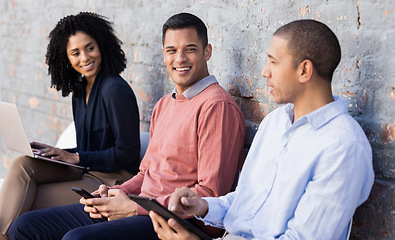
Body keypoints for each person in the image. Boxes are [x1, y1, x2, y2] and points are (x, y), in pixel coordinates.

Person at [8, 12, 246, 240]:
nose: (180, 59)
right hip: (138, 205)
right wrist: (117, 192)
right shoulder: (165, 104)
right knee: (25, 226)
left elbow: (210, 195)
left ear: (207, 52)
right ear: (164, 54)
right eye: (172, 50)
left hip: (173, 222)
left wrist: (133, 206)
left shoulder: (217, 106)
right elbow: (145, 173)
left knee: (75, 238)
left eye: (190, 49)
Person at [149, 19, 375, 240]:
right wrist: (202, 205)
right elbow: (247, 202)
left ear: (304, 70)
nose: (265, 72)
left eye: (273, 62)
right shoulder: (276, 122)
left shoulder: (343, 146)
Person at [0, 12, 141, 238]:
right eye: (75, 53)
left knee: (25, 200)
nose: (84, 57)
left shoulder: (115, 89)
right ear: (66, 57)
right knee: (22, 165)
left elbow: (128, 151)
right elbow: (89, 148)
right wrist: (56, 153)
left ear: (102, 46)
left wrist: (77, 158)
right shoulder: (79, 91)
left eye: (90, 48)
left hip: (111, 179)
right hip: (85, 169)